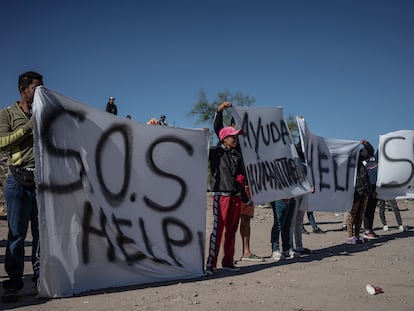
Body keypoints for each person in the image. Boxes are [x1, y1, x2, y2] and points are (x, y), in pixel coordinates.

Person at [0, 71, 43, 302]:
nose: (39, 92)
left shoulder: (43, 111)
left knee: (41, 234)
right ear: (23, 89)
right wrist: (28, 127)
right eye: (36, 88)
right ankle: (15, 282)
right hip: (17, 181)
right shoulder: (7, 114)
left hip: (41, 182)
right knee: (16, 235)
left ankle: (39, 278)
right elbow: (1, 142)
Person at [213, 101, 263, 262]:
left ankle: (246, 252)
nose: (236, 136)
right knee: (224, 225)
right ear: (232, 125)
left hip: (245, 187)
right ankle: (217, 260)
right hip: (226, 192)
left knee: (245, 220)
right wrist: (219, 111)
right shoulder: (222, 147)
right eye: (235, 129)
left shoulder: (250, 142)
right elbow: (218, 129)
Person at [205, 126, 249, 275]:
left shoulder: (237, 155)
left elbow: (242, 173)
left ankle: (228, 262)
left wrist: (241, 184)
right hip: (220, 195)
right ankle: (211, 264)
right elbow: (198, 150)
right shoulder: (215, 152)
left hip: (235, 197)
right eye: (233, 137)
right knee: (218, 230)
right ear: (224, 138)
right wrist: (203, 135)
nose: (235, 139)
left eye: (236, 137)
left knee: (231, 230)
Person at [347, 140, 374, 244]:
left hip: (364, 190)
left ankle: (357, 235)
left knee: (360, 215)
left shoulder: (360, 157)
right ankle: (350, 237)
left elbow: (370, 151)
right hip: (354, 192)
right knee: (352, 215)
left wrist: (365, 143)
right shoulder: (347, 162)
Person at [362, 154, 379, 239]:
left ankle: (370, 229)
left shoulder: (378, 161)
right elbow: (365, 178)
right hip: (368, 190)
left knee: (371, 211)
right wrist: (371, 191)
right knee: (367, 211)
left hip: (376, 190)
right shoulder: (364, 163)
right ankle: (367, 231)